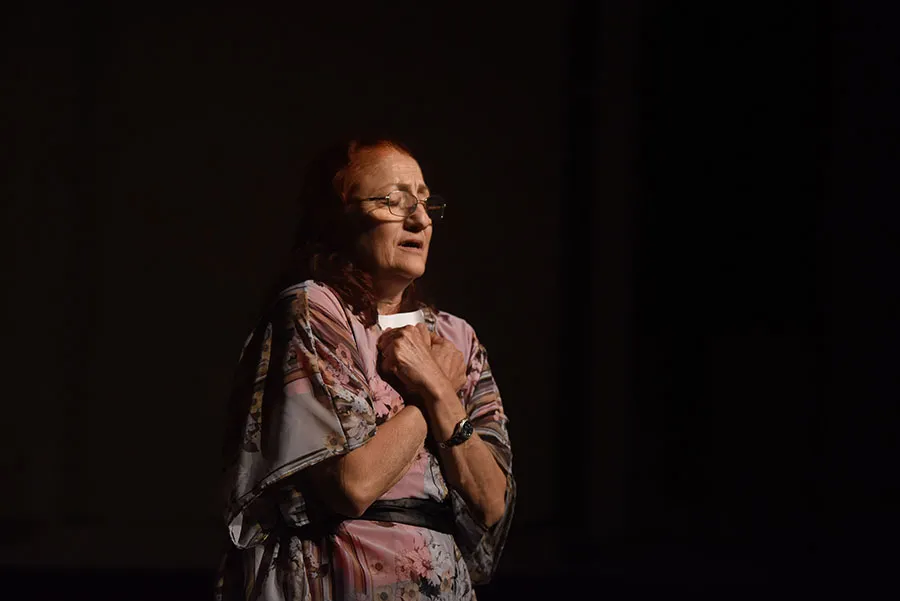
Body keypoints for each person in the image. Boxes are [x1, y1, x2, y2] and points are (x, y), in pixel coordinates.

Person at [216, 138, 516, 601]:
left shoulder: (456, 339)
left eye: (423, 202)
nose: (418, 219)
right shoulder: (315, 309)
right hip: (338, 576)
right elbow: (352, 484)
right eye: (392, 202)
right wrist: (431, 391)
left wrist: (437, 386)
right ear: (338, 219)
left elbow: (491, 502)